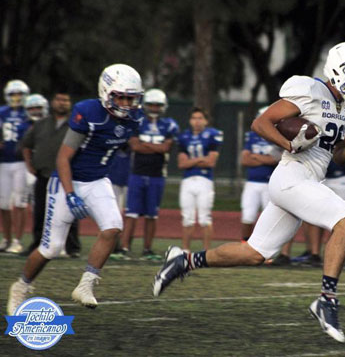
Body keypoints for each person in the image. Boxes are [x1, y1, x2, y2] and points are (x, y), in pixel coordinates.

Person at [153, 42, 345, 343]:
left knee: (256, 253)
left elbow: (338, 158)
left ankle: (184, 261)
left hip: (309, 181)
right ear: (338, 71)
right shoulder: (309, 90)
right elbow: (261, 123)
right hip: (290, 177)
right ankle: (326, 300)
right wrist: (289, 144)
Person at [7, 64, 144, 315]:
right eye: (120, 96)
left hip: (97, 180)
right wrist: (70, 194)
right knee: (51, 248)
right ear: (106, 92)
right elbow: (63, 158)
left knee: (113, 226)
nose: (126, 103)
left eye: (131, 97)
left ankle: (86, 284)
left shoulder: (136, 118)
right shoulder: (87, 112)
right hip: (66, 180)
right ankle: (20, 287)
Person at [21, 92, 81, 257]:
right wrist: (29, 165)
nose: (62, 103)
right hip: (44, 174)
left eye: (66, 100)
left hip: (67, 175)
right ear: (52, 102)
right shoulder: (41, 124)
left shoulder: (76, 124)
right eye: (59, 99)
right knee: (40, 212)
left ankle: (72, 248)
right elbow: (26, 145)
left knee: (70, 211)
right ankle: (37, 245)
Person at [120, 88, 178, 260]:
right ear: (145, 105)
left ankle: (147, 249)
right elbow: (135, 146)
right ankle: (123, 248)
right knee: (131, 214)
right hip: (137, 173)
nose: (154, 107)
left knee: (152, 215)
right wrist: (156, 148)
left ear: (163, 106)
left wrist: (145, 145)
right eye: (151, 104)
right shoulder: (137, 121)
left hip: (157, 175)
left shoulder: (170, 124)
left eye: (157, 105)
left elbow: (166, 148)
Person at [177, 107, 223, 251]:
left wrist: (192, 161)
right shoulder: (184, 137)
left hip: (205, 181)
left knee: (204, 218)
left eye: (200, 118)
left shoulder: (212, 135)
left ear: (206, 121)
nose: (197, 121)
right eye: (194, 118)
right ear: (190, 120)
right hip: (187, 181)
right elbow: (181, 164)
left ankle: (206, 252)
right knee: (187, 217)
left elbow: (211, 162)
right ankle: (185, 251)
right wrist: (201, 159)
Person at [0, 80, 32, 253]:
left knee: (20, 202)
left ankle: (17, 240)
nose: (16, 98)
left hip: (21, 162)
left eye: (19, 94)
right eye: (13, 94)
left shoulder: (29, 113)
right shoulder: (2, 112)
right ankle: (6, 239)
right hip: (3, 162)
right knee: (3, 203)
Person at [240, 106, 280, 242]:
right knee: (247, 216)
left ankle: (266, 248)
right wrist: (264, 159)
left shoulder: (277, 137)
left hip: (269, 183)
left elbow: (275, 160)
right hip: (252, 182)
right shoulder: (252, 136)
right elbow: (245, 159)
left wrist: (255, 157)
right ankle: (245, 244)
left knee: (269, 218)